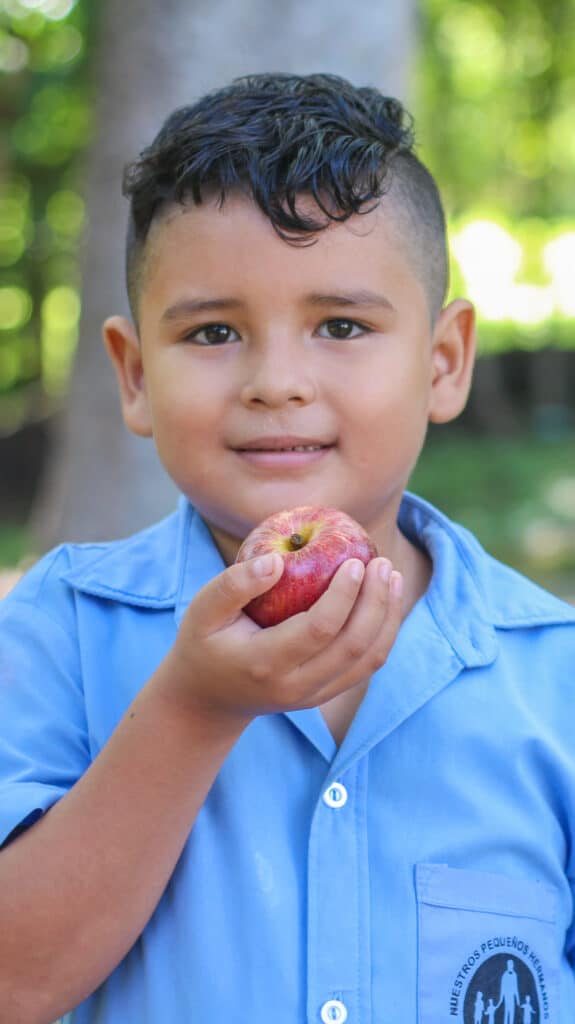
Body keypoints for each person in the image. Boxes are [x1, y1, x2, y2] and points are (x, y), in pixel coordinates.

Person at [0, 72, 574, 1024]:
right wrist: (191, 709)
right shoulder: (61, 634)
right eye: (214, 331)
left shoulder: (554, 676)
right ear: (134, 377)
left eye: (340, 326)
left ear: (443, 363)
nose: (276, 381)